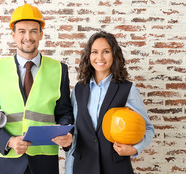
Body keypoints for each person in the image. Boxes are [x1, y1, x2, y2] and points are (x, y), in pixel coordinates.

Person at [0, 3, 74, 174]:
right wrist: (9, 141)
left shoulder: (59, 69)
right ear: (13, 34)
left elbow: (64, 112)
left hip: (44, 161)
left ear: (41, 34)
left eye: (33, 31)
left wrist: (67, 134)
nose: (28, 37)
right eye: (22, 31)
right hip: (5, 161)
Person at [65, 31, 155, 174]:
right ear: (89, 56)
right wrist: (69, 170)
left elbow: (148, 128)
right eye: (95, 52)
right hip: (83, 167)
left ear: (114, 54)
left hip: (115, 167)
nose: (99, 57)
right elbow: (75, 133)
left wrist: (134, 149)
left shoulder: (127, 89)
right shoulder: (79, 89)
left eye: (106, 51)